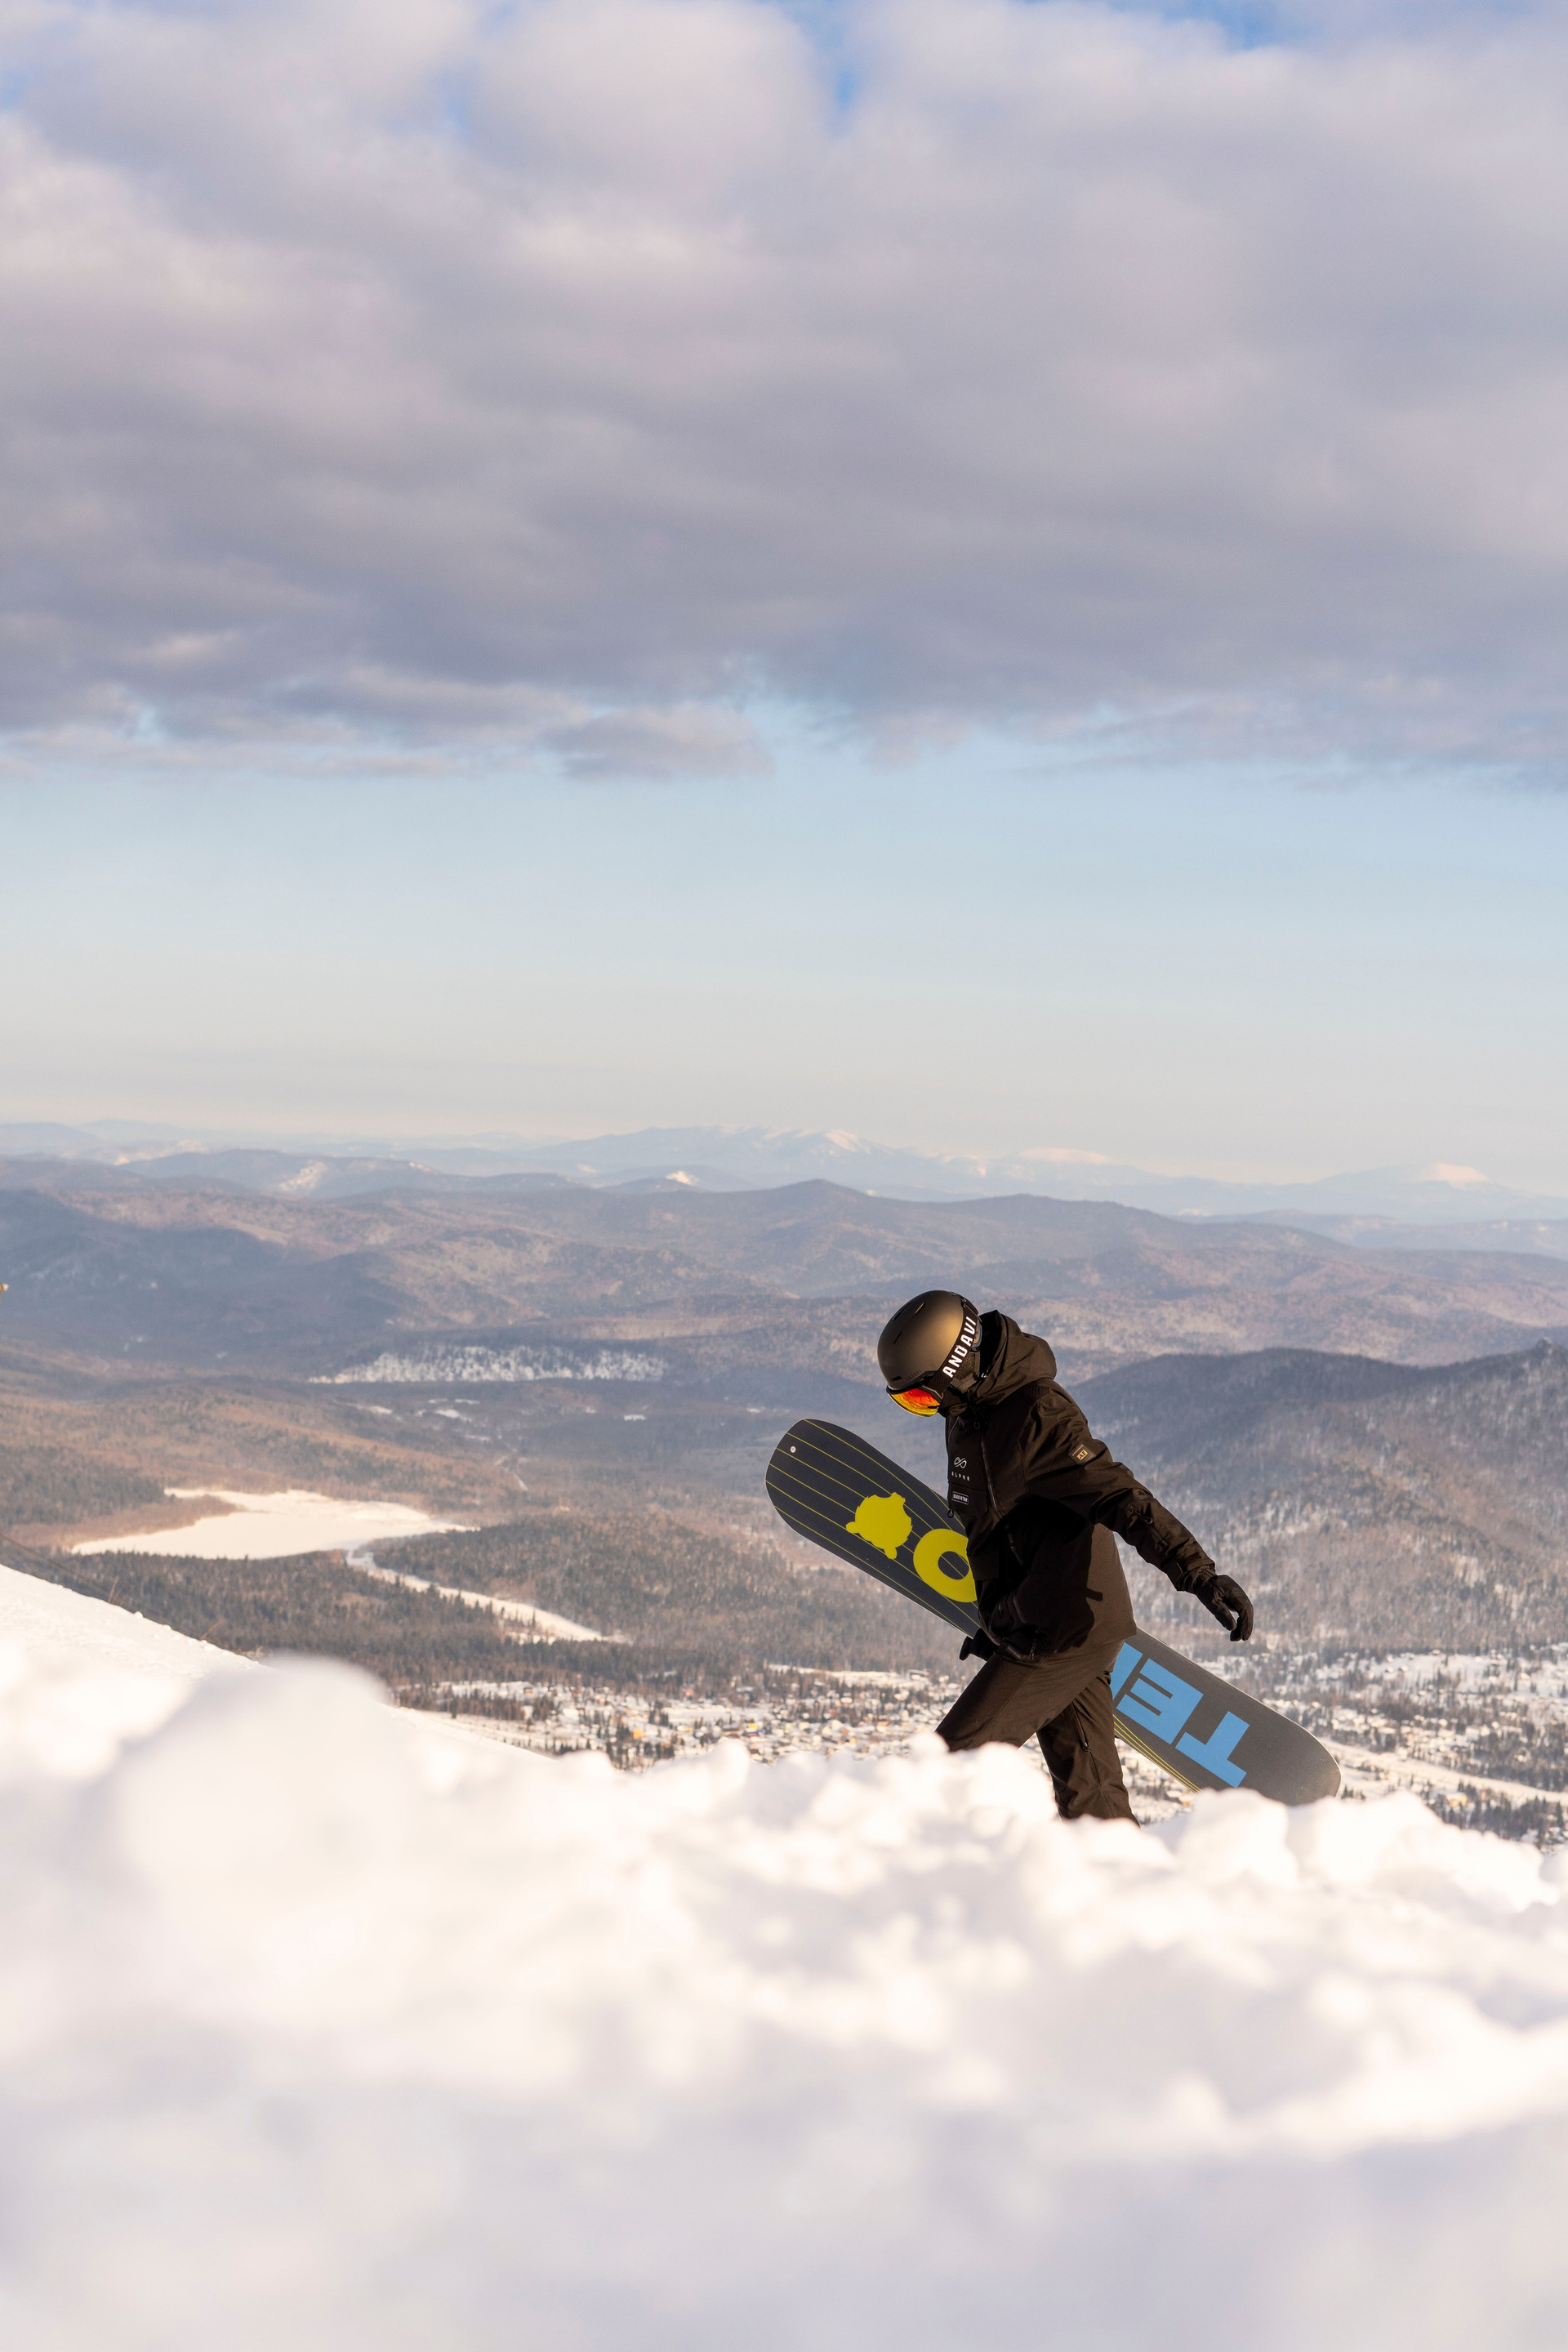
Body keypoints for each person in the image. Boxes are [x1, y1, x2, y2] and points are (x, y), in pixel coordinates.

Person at [877, 1290, 1253, 1824]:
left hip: (1062, 1631)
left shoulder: (1039, 1417)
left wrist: (1198, 1573)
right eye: (910, 1402)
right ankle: (1123, 1870)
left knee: (943, 1771)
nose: (924, 1408)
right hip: (1042, 1623)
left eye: (920, 1396)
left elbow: (1122, 1497)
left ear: (957, 1365)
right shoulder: (966, 1415)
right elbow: (997, 1531)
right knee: (1092, 1804)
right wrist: (998, 1617)